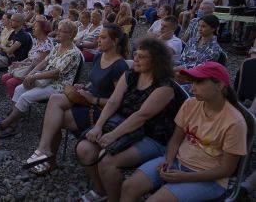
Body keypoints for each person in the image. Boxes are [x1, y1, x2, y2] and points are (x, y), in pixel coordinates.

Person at [122, 62, 247, 202]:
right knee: (129, 187)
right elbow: (175, 140)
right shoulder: (190, 104)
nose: (193, 88)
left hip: (210, 178)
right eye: (193, 82)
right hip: (178, 162)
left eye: (199, 83)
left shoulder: (234, 123)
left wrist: (184, 177)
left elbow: (226, 170)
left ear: (219, 85)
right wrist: (168, 161)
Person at [76, 38, 179, 202]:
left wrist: (113, 135)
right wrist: (98, 126)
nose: (136, 59)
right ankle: (101, 188)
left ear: (157, 61)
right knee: (84, 149)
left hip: (151, 136)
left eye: (142, 57)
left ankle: (114, 198)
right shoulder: (130, 75)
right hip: (123, 125)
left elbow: (142, 116)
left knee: (107, 160)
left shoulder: (165, 87)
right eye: (136, 54)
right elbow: (113, 102)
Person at [23, 24, 129, 175]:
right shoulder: (100, 56)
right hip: (86, 99)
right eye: (98, 37)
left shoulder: (119, 66)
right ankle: (44, 150)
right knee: (54, 100)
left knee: (53, 119)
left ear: (115, 41)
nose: (98, 40)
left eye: (103, 37)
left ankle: (48, 158)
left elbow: (119, 101)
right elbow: (96, 81)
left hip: (101, 109)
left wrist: (94, 99)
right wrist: (84, 87)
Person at [0, 20, 81, 138]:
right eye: (58, 30)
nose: (58, 33)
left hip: (59, 86)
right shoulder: (57, 46)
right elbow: (44, 62)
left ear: (71, 34)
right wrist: (30, 75)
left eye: (62, 31)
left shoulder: (73, 53)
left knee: (26, 96)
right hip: (45, 79)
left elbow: (56, 74)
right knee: (19, 89)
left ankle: (5, 124)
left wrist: (34, 76)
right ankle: (14, 125)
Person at [1, 20, 53, 97]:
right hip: (28, 67)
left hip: (35, 71)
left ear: (43, 29)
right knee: (4, 77)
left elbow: (37, 64)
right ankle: (15, 97)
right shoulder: (37, 41)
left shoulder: (47, 45)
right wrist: (19, 63)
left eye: (36, 27)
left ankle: (18, 103)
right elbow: (30, 57)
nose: (33, 28)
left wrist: (21, 64)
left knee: (10, 82)